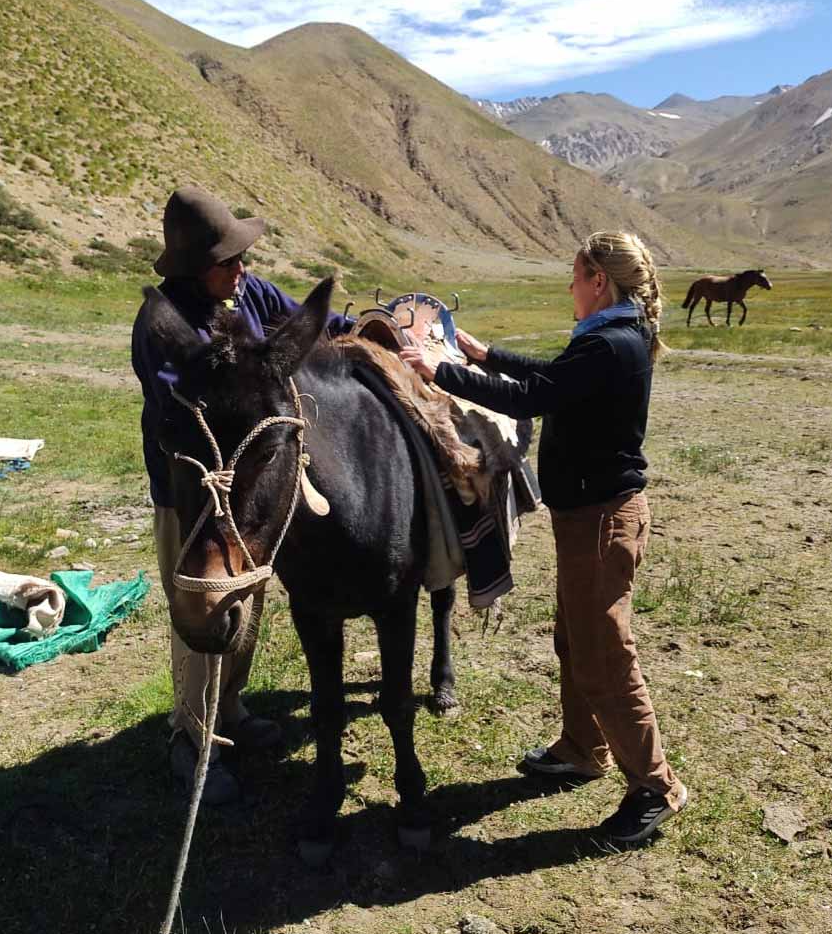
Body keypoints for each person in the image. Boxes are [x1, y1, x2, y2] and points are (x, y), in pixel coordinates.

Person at [399, 230, 688, 845]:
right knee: (576, 638)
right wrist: (483, 354)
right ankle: (583, 748)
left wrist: (442, 369)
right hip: (589, 516)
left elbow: (535, 396)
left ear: (598, 281)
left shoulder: (610, 344)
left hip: (601, 519)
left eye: (576, 276)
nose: (569, 286)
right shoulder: (611, 339)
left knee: (604, 655)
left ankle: (656, 788)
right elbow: (555, 377)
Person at [132, 186, 353, 805]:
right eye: (228, 261)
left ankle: (230, 710)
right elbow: (192, 407)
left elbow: (306, 324)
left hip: (249, 491)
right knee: (202, 609)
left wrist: (368, 327)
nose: (242, 269)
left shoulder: (244, 291)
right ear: (195, 270)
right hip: (196, 495)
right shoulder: (163, 326)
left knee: (247, 603)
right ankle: (192, 739)